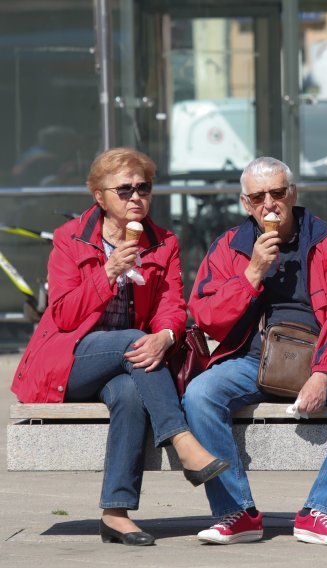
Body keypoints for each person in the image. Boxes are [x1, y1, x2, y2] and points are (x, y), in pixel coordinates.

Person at [11, 148, 229, 546]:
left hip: (130, 364)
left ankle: (116, 514)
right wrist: (108, 273)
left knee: (129, 394)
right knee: (132, 340)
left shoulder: (163, 242)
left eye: (143, 188)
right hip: (70, 360)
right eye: (124, 189)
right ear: (99, 196)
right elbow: (62, 316)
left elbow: (171, 305)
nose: (135, 198)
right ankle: (182, 442)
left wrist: (165, 336)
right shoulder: (70, 240)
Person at [182, 157, 327, 546]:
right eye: (259, 197)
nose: (270, 204)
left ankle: (322, 511)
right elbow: (206, 314)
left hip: (321, 356)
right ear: (246, 204)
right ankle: (236, 513)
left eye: (278, 193)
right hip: (250, 357)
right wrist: (252, 273)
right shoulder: (230, 246)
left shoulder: (326, 240)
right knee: (199, 394)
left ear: (292, 194)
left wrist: (323, 373)